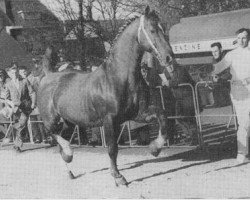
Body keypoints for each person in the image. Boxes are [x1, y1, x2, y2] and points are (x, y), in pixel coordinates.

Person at [212, 28, 250, 163]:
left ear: (248, 38)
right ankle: (242, 153)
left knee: (246, 123)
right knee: (243, 123)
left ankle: (243, 152)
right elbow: (218, 67)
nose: (241, 40)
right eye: (239, 38)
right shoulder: (232, 54)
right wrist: (214, 72)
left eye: (244, 37)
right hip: (238, 92)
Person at [4, 63, 36, 152]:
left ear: (18, 72)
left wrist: (33, 103)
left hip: (25, 107)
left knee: (22, 124)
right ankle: (16, 144)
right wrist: (10, 103)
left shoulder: (25, 81)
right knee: (22, 126)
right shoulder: (8, 84)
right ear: (9, 73)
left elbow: (32, 92)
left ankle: (15, 140)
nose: (15, 74)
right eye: (13, 73)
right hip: (15, 109)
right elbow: (6, 98)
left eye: (16, 72)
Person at [211, 42, 231, 107]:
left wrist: (220, 78)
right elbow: (214, 72)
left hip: (231, 88)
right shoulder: (214, 60)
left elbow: (230, 72)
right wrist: (213, 77)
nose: (214, 54)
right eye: (212, 52)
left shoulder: (227, 58)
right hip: (221, 89)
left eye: (216, 51)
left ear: (221, 50)